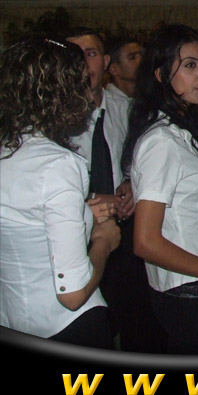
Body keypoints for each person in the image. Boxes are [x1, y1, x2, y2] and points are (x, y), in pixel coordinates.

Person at [122, 24, 198, 354]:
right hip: (188, 288)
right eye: (190, 65)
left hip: (195, 282)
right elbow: (145, 241)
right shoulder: (162, 141)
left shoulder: (179, 130)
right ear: (161, 75)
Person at [0, 36, 120, 348]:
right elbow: (73, 293)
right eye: (79, 82)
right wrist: (104, 240)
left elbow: (22, 225)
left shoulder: (8, 152)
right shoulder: (58, 164)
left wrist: (82, 215)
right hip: (68, 327)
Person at [65, 27, 165, 352]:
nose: (83, 63)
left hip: (125, 235)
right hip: (77, 237)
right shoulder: (56, 120)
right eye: (74, 55)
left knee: (140, 324)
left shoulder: (127, 111)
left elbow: (139, 161)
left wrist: (131, 184)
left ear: (106, 62)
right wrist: (93, 200)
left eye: (90, 54)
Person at [106, 35, 143, 99]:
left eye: (142, 55)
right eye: (132, 57)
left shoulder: (148, 94)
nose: (141, 60)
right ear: (113, 69)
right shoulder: (108, 101)